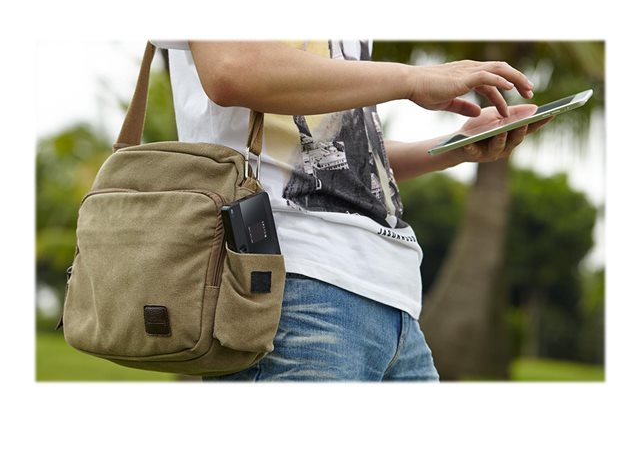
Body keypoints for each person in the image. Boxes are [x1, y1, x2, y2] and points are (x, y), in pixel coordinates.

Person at [150, 40, 549, 381]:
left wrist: (453, 147)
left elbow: (337, 156)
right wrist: (413, 79)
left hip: (393, 302)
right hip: (291, 288)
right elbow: (231, 68)